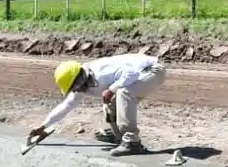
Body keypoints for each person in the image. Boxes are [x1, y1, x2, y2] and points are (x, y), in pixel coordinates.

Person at [29, 54, 169, 156]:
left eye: (75, 87)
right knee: (110, 103)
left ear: (80, 78)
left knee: (123, 93)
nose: (76, 90)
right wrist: (44, 126)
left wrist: (111, 89)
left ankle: (132, 142)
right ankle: (120, 137)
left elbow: (131, 73)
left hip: (152, 70)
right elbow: (67, 105)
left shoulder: (100, 72)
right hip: (137, 75)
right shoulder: (82, 83)